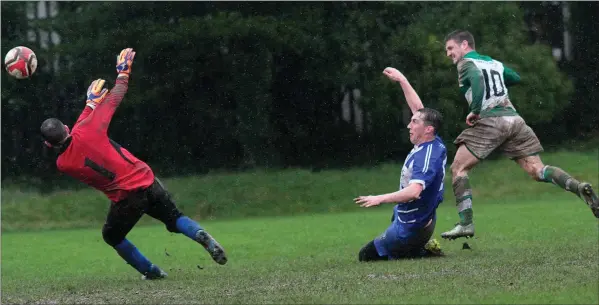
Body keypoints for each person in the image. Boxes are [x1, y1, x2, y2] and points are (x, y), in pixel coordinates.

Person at [40, 48, 227, 280]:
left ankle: (151, 272)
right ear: (66, 128)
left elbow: (76, 136)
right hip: (146, 178)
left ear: (49, 146)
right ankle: (200, 234)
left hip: (127, 198)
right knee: (174, 218)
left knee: (112, 236)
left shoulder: (63, 164)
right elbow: (116, 95)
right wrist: (122, 73)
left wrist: (90, 106)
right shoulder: (86, 129)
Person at [441, 30, 599, 240]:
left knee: (458, 168)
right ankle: (578, 187)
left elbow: (478, 80)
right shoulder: (493, 63)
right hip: (515, 120)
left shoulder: (465, 64)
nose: (449, 54)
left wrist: (476, 110)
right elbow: (515, 77)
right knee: (538, 170)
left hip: (491, 119)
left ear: (464, 45)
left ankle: (466, 224)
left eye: (451, 48)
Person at [354, 67, 446, 261]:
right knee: (396, 214)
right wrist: (402, 80)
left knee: (365, 256)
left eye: (413, 122)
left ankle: (419, 249)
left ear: (428, 129)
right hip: (417, 217)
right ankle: (421, 245)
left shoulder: (426, 157)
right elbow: (418, 108)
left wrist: (379, 198)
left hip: (413, 226)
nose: (408, 126)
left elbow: (414, 192)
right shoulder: (432, 142)